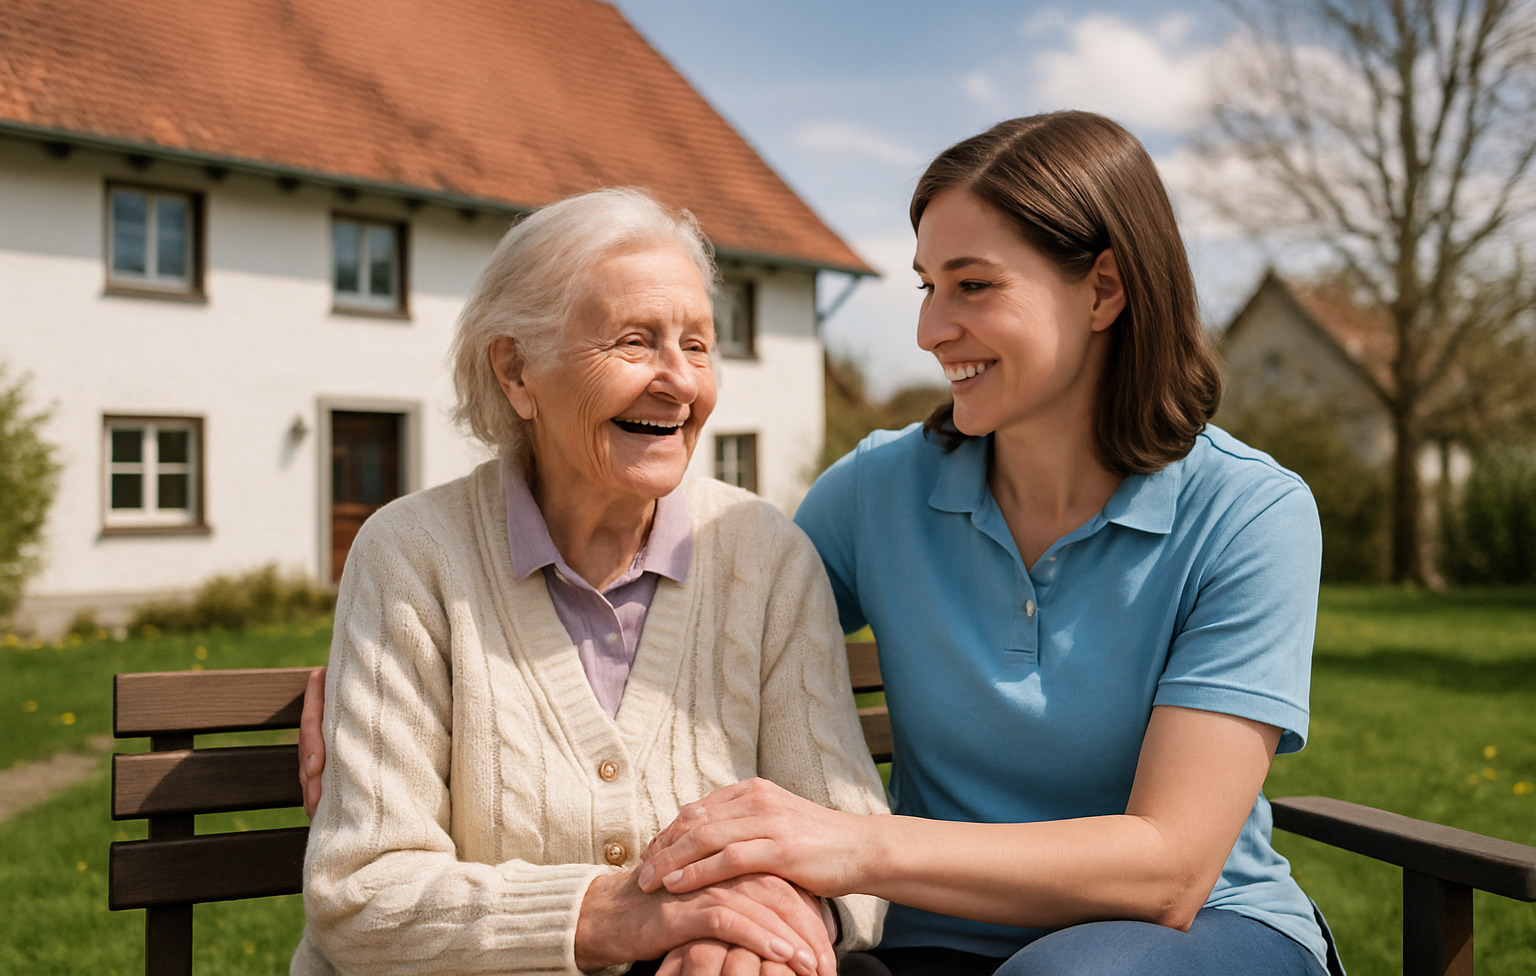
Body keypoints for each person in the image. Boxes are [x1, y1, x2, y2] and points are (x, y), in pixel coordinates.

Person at [635, 112, 1341, 976]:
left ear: (1105, 290)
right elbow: (717, 664)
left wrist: (856, 847)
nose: (931, 330)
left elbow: (1170, 868)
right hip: (934, 941)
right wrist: (750, 905)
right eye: (928, 286)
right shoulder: (875, 492)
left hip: (1192, 938)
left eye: (973, 286)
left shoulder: (1247, 512)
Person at [291, 188, 888, 976]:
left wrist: (762, 935)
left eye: (700, 346)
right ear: (516, 371)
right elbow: (362, 895)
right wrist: (611, 914)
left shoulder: (764, 554)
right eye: (635, 342)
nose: (679, 381)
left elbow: (852, 844)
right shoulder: (411, 556)